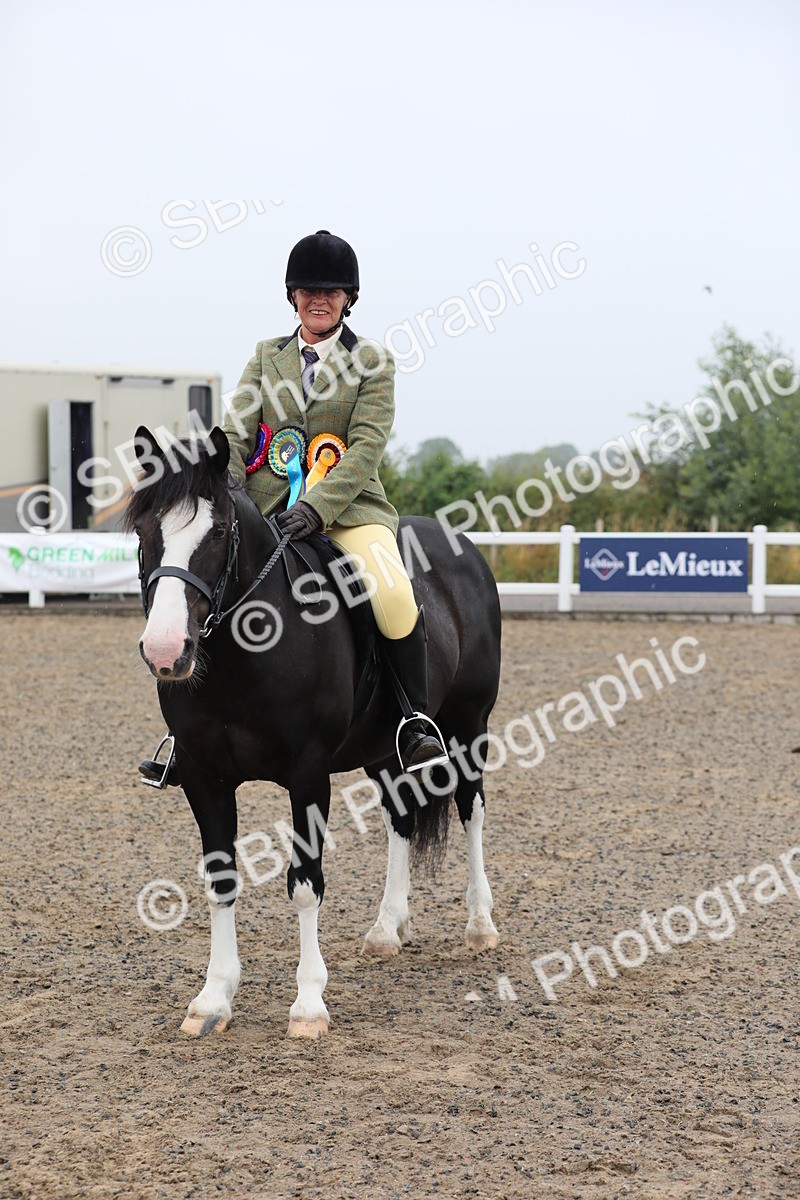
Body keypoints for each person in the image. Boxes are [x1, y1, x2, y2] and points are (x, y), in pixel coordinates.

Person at [139, 231, 447, 785]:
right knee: (207, 585)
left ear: (349, 298)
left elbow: (366, 446)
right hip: (263, 509)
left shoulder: (372, 362)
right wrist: (220, 488)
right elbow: (235, 435)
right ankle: (190, 736)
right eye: (308, 290)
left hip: (348, 511)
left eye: (331, 291)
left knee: (394, 595)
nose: (318, 299)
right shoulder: (267, 357)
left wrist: (316, 507)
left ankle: (411, 722)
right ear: (292, 296)